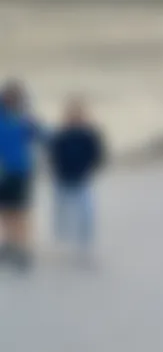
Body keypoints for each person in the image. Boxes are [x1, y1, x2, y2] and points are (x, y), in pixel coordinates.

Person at [48, 97, 105, 255]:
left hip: (81, 179)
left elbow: (97, 154)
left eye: (77, 114)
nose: (74, 117)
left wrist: (88, 169)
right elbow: (53, 155)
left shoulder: (89, 134)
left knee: (86, 213)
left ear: (82, 115)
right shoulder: (61, 134)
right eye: (71, 114)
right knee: (61, 212)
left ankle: (85, 244)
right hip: (62, 179)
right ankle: (61, 241)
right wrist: (56, 171)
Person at [0, 82, 38, 268]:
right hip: (1, 174)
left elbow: (40, 135)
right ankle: (9, 245)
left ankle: (23, 249)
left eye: (13, 97)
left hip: (19, 172)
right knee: (5, 212)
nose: (9, 100)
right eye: (7, 96)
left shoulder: (24, 119)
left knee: (20, 213)